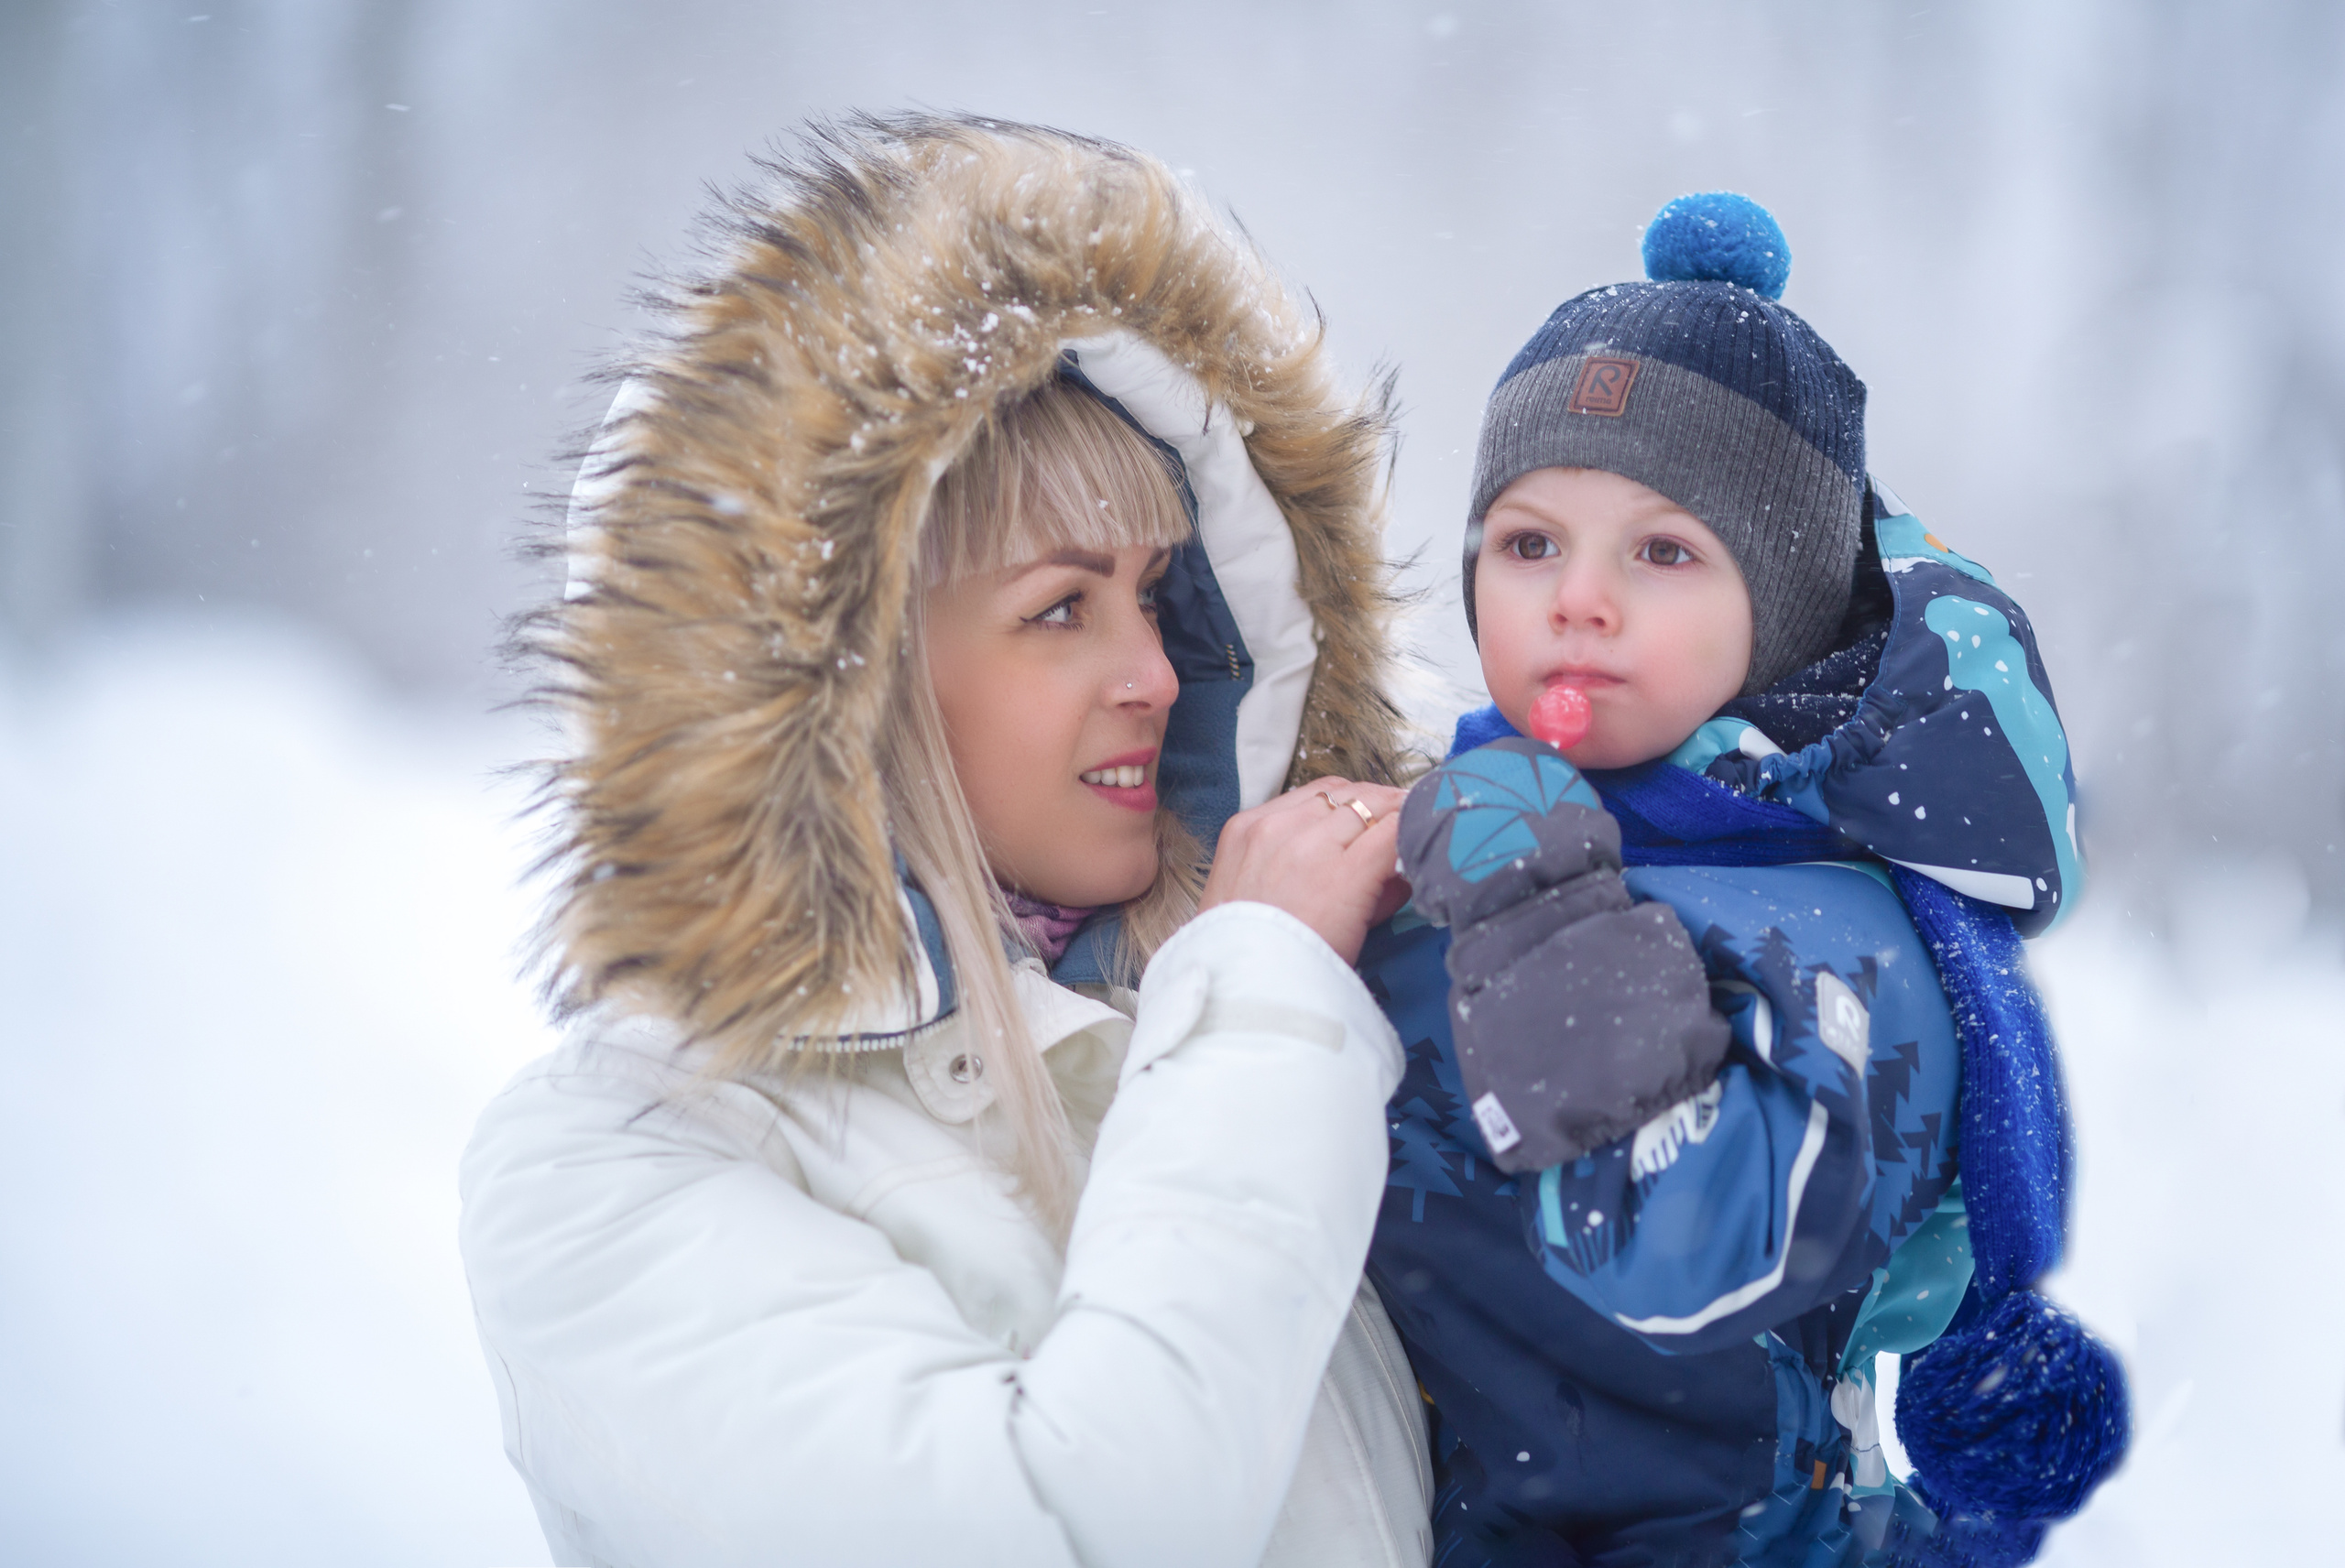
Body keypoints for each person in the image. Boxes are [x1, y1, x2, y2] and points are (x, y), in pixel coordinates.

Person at [458, 114, 1435, 1568]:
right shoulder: (616, 1165)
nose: (1159, 677)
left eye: (1161, 598)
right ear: (857, 684)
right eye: (1061, 606)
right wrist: (1268, 990)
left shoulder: (1197, 1037)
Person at [1358, 195, 2128, 1567]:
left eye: (1662, 552)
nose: (1576, 599)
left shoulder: (1850, 927)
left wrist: (1526, 887)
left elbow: (1689, 1244)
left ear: (1779, 608)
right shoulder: (1474, 816)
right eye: (1530, 542)